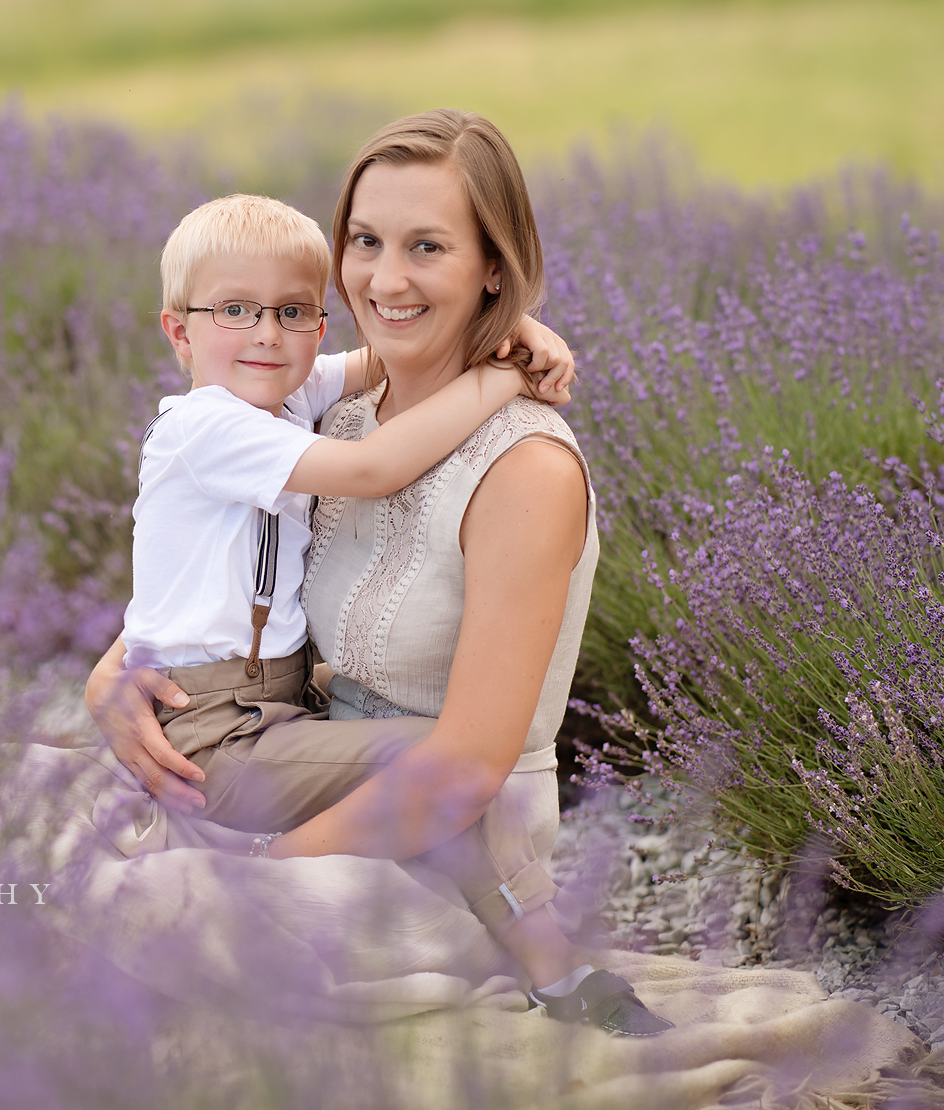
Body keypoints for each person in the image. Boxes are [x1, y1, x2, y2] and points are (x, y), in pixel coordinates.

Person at [87, 109, 672, 1036]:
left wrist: (268, 867)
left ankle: (541, 963)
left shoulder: (523, 468)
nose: (385, 279)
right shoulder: (338, 414)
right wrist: (112, 670)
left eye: (427, 246)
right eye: (364, 241)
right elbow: (222, 566)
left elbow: (463, 767)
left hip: (438, 833)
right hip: (292, 754)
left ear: (493, 266)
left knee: (147, 910)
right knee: (6, 806)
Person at [126, 192, 567, 789]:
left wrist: (503, 322)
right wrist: (504, 373)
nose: (267, 336)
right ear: (180, 333)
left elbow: (386, 358)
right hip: (215, 727)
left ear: (318, 323)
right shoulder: (205, 426)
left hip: (274, 695)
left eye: (293, 312)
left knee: (446, 745)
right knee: (451, 753)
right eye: (235, 310)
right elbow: (372, 469)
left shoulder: (287, 396)